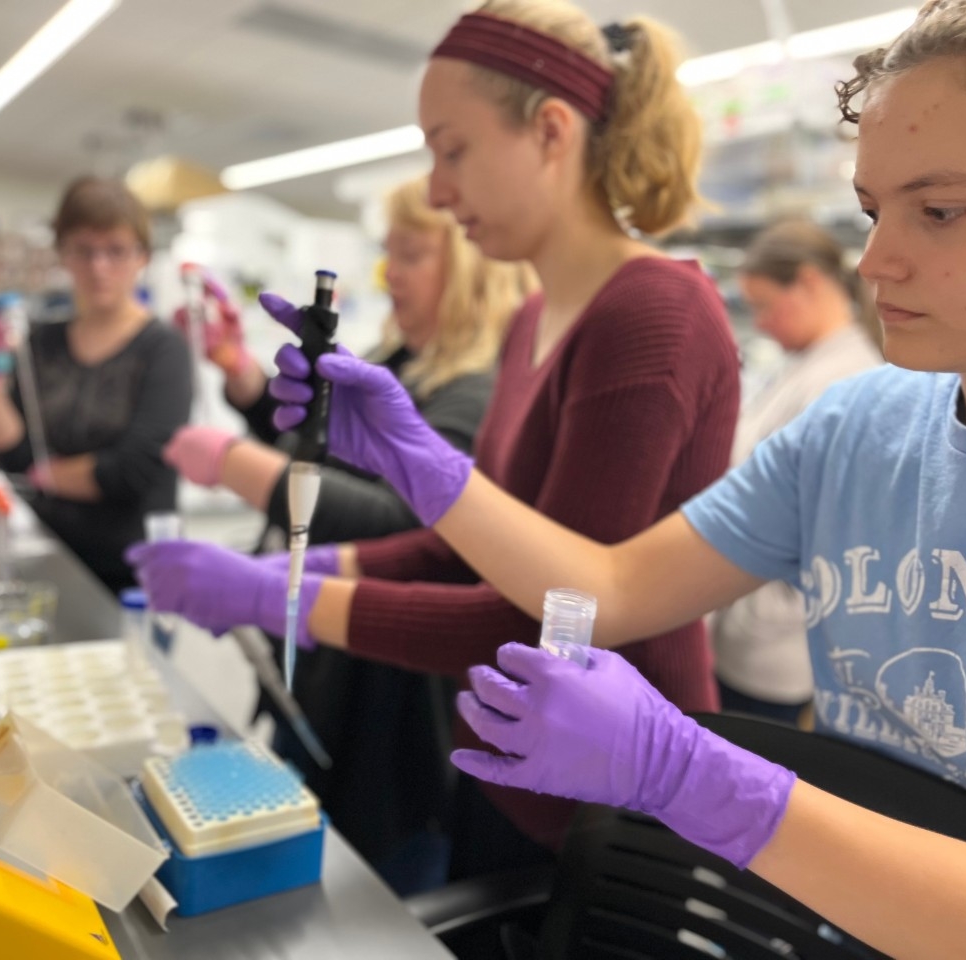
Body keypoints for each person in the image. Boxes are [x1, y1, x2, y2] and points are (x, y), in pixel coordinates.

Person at [218, 0, 966, 953]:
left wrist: (695, 777)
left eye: (941, 211)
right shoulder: (857, 429)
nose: (874, 261)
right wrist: (422, 464)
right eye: (870, 211)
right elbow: (611, 587)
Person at [129, 0, 741, 878]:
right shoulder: (533, 317)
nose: (442, 190)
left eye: (453, 151)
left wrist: (285, 600)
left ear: (551, 132)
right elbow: (474, 553)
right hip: (506, 761)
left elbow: (547, 620)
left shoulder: (653, 313)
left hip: (611, 810)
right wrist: (313, 564)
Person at [161, 175, 532, 893]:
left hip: (394, 709)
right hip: (329, 672)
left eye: (412, 255)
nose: (391, 274)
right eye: (389, 254)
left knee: (366, 886)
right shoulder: (398, 363)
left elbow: (404, 525)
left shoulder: (476, 392)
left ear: (469, 268)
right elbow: (318, 455)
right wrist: (242, 376)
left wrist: (237, 465)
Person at [0, 176, 191, 593]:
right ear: (63, 254)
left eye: (116, 251)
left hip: (133, 573)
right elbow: (11, 453)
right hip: (47, 556)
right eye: (84, 250)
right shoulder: (42, 341)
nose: (98, 267)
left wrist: (42, 474)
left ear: (142, 256)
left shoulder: (164, 349)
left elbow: (132, 471)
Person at [711, 221, 882, 723]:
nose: (760, 324)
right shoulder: (804, 364)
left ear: (808, 282)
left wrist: (767, 611)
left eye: (765, 306)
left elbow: (830, 537)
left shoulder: (845, 381)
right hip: (743, 629)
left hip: (771, 646)